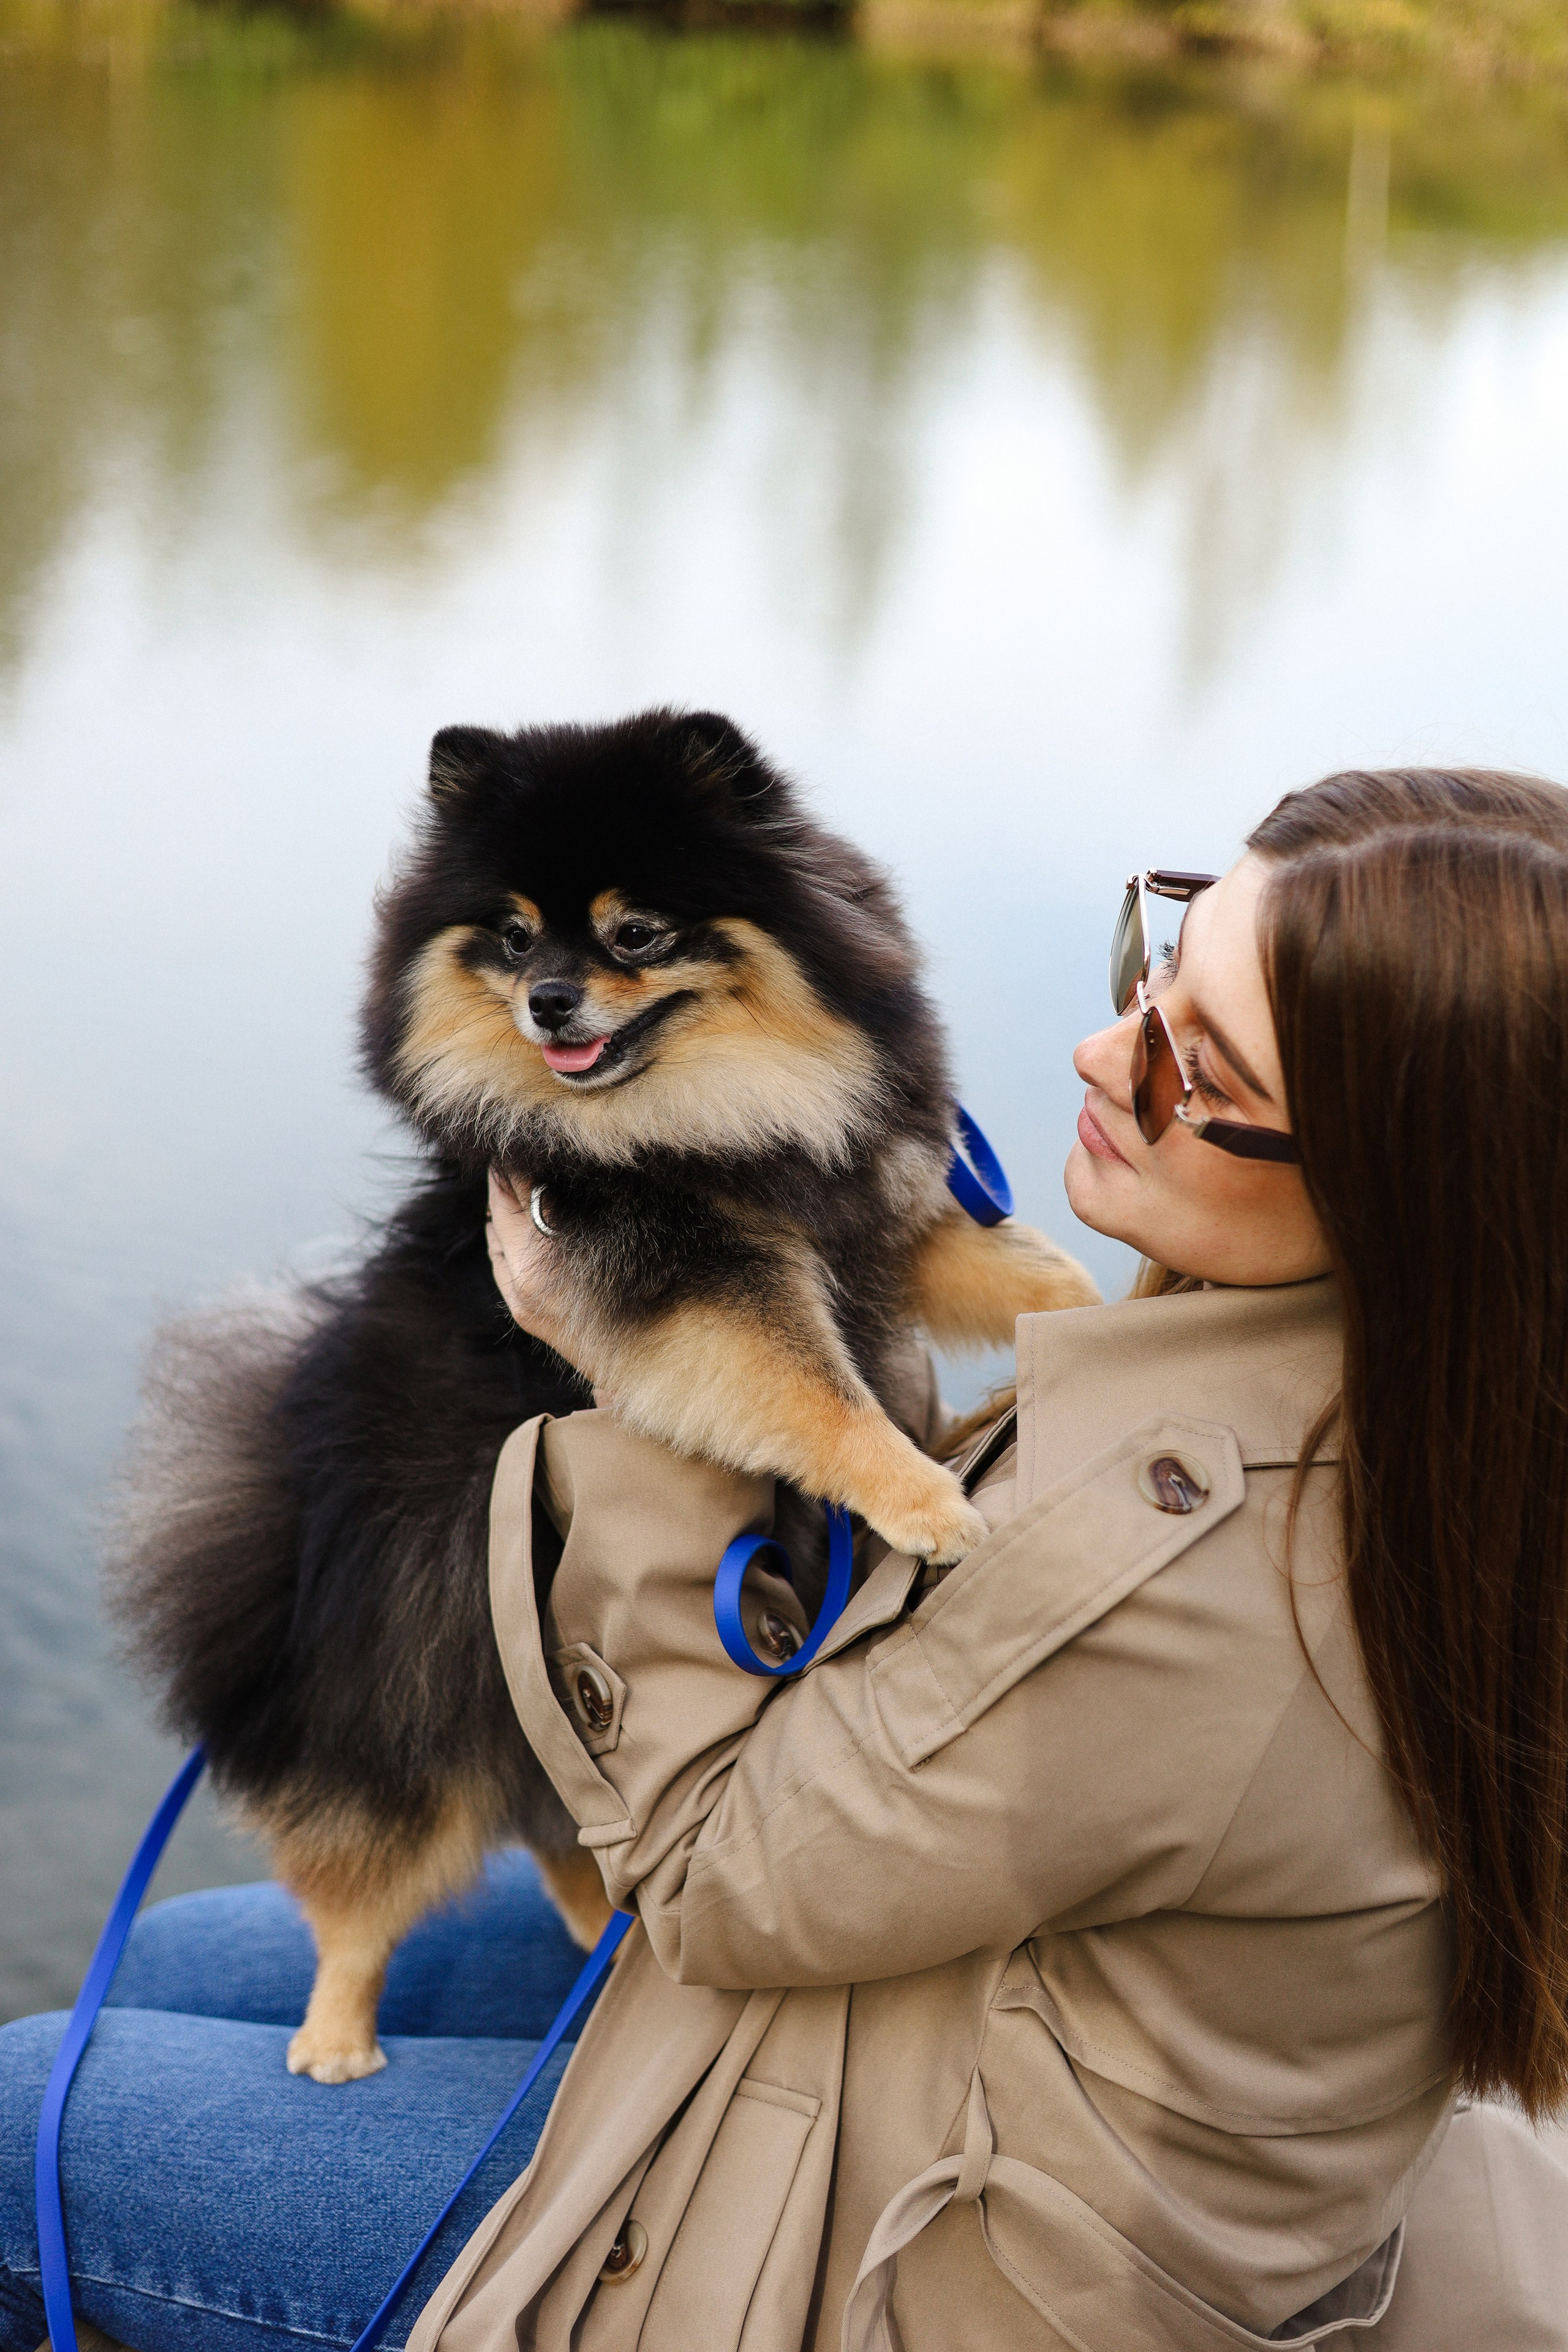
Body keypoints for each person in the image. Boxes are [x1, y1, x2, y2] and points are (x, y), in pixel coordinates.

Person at [4, 765, 1568, 2352]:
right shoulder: (1438, 1417)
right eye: (1156, 958)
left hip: (865, 2269)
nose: (1106, 1048)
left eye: (1195, 1061)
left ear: (1397, 1177)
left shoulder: (1193, 1572)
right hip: (941, 2018)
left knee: (18, 2125)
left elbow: (727, 1878)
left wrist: (630, 1383)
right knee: (180, 1959)